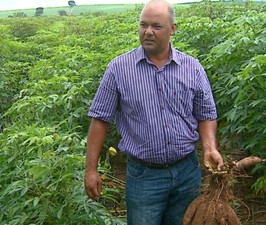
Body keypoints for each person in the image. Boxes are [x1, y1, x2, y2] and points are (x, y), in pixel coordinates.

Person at [84, 0, 224, 224]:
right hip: (144, 176)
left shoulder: (192, 67)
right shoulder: (118, 69)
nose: (148, 32)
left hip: (187, 171)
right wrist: (91, 169)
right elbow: (100, 119)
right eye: (143, 25)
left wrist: (209, 147)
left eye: (156, 26)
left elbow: (206, 114)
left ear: (172, 29)